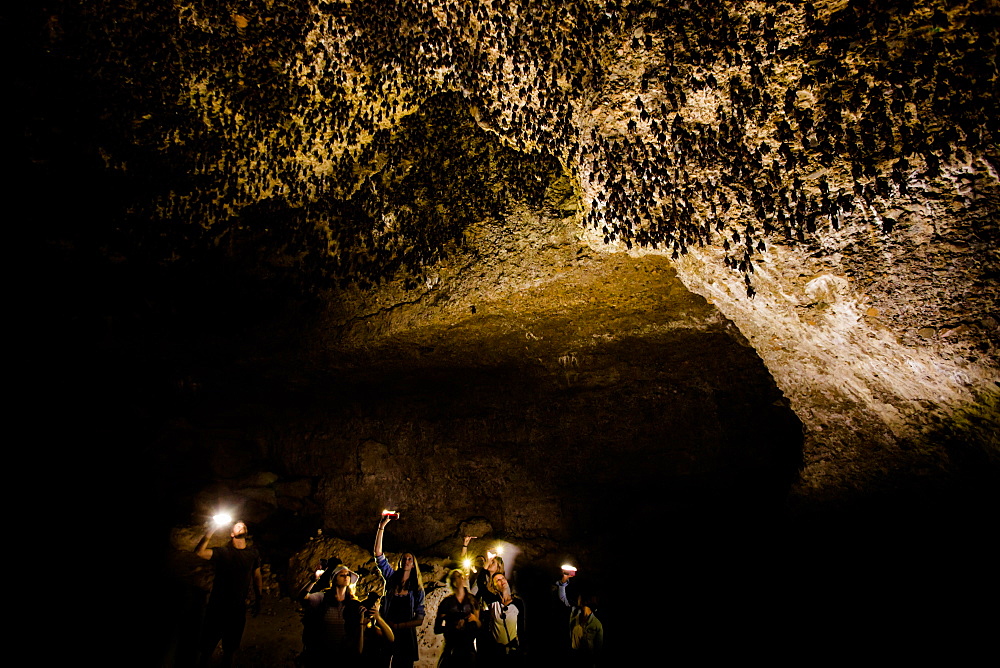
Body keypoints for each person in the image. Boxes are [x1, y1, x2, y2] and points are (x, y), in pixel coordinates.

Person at [194, 520, 263, 667]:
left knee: (230, 651)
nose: (241, 525)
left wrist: (259, 599)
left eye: (243, 525)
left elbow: (257, 576)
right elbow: (199, 552)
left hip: (237, 608)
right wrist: (210, 531)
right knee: (207, 649)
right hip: (217, 606)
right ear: (232, 534)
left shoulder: (253, 553)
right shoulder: (222, 552)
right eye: (237, 525)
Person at [374, 513, 425, 668]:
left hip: (405, 635)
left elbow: (420, 619)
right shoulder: (391, 578)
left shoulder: (416, 589)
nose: (406, 561)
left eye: (410, 559)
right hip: (386, 630)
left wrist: (399, 626)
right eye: (404, 558)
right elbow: (378, 555)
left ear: (414, 563)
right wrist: (381, 527)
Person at [298, 564, 365, 667]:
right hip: (322, 652)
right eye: (342, 575)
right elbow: (302, 597)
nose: (346, 577)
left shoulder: (353, 604)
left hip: (343, 653)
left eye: (347, 575)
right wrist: (313, 580)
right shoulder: (323, 598)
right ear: (334, 579)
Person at [434, 569, 480, 667]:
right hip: (452, 648)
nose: (460, 578)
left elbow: (479, 625)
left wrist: (474, 619)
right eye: (457, 576)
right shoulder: (446, 603)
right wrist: (453, 626)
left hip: (468, 648)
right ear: (452, 581)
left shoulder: (472, 601)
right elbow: (437, 629)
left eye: (461, 575)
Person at [555, 573, 603, 667]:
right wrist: (563, 582)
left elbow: (598, 648)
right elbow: (562, 598)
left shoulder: (596, 624)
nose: (578, 598)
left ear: (586, 600)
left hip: (587, 660)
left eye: (580, 597)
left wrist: (595, 663)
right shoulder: (575, 612)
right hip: (573, 656)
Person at [481, 571, 525, 666]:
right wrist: (485, 568)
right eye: (498, 580)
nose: (502, 581)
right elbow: (481, 585)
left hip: (513, 648)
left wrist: (522, 647)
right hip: (496, 650)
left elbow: (521, 626)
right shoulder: (492, 601)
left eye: (503, 578)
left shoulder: (518, 603)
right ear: (495, 586)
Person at [360, 592, 394, 668]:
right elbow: (359, 650)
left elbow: (391, 639)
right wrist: (362, 624)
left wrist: (378, 618)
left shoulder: (376, 629)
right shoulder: (361, 630)